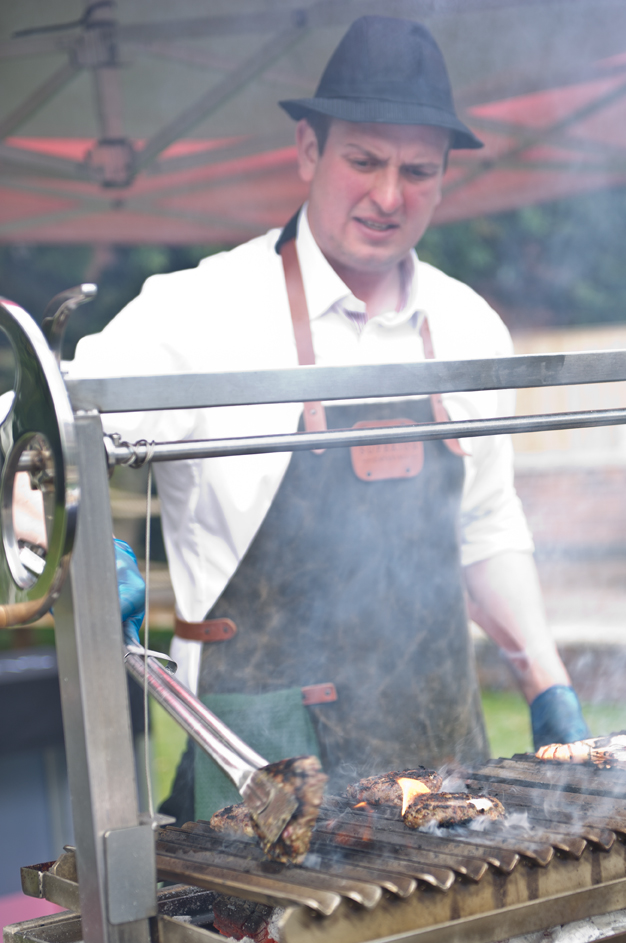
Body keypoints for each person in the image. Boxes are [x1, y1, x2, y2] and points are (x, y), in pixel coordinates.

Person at [70, 16, 589, 819]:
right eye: (364, 160)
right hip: (261, 778)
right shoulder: (200, 312)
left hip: (444, 777)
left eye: (418, 170)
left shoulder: (470, 327)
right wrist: (77, 541)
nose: (389, 196)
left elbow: (485, 524)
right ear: (309, 150)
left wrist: (547, 683)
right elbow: (29, 433)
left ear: (447, 175)